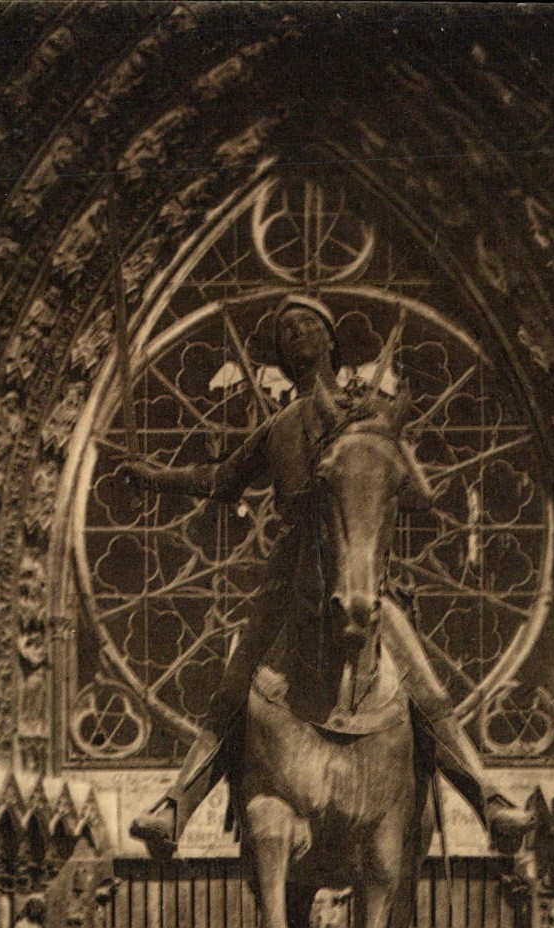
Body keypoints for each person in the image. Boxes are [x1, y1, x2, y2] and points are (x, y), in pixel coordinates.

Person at [124, 293, 507, 856]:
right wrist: (154, 477)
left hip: (359, 569)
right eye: (286, 332)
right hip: (291, 576)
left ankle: (488, 799)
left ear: (331, 339)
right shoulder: (278, 426)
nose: (296, 335)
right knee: (234, 685)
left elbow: (414, 489)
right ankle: (177, 805)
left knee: (426, 686)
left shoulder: (369, 411)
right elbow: (220, 478)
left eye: (307, 325)